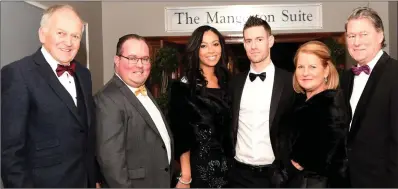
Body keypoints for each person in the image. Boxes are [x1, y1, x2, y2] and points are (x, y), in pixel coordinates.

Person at [1, 4, 98, 187]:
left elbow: (86, 135)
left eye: (75, 36)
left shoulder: (84, 75)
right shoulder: (18, 74)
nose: (68, 42)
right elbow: (10, 155)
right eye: (61, 33)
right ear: (42, 34)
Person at [94, 34, 174, 188]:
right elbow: (112, 165)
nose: (140, 65)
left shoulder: (143, 90)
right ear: (117, 60)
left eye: (145, 59)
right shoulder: (108, 99)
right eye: (132, 58)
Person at [227, 16, 296, 188]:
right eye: (248, 40)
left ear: (270, 41)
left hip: (276, 176)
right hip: (239, 175)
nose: (254, 46)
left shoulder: (290, 82)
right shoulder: (235, 83)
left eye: (259, 39)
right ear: (243, 44)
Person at [340, 7, 398, 187]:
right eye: (351, 36)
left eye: (363, 34)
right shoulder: (346, 78)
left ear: (380, 36)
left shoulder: (395, 74)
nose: (356, 42)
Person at [168, 25, 231, 188]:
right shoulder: (183, 87)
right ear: (196, 50)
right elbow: (181, 134)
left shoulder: (229, 82)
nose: (211, 50)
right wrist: (186, 175)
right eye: (204, 45)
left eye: (215, 44)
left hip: (232, 170)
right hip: (200, 170)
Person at [281, 41, 350, 188]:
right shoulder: (302, 103)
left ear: (326, 71)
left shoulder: (329, 105)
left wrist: (277, 176)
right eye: (300, 67)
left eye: (312, 67)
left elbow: (302, 160)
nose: (305, 73)